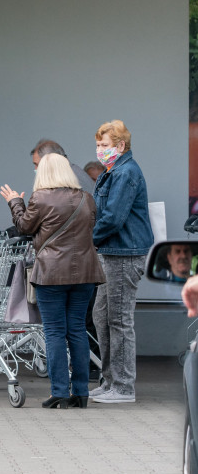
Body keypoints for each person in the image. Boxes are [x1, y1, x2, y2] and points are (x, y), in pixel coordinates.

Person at [1, 153, 105, 409]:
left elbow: (24, 226)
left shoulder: (41, 198)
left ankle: (59, 391)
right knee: (78, 330)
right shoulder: (87, 199)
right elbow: (92, 229)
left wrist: (15, 202)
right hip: (85, 273)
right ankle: (81, 392)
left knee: (55, 332)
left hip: (52, 274)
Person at [90, 119, 153, 404]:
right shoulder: (113, 171)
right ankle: (109, 380)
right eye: (98, 144)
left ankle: (123, 387)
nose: (99, 150)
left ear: (120, 146)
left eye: (104, 145)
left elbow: (113, 218)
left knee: (118, 320)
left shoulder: (125, 172)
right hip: (113, 252)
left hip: (124, 254)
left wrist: (87, 240)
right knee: (101, 317)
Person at [30, 139, 95, 193]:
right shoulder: (70, 171)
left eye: (38, 165)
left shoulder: (68, 178)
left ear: (50, 159)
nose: (36, 169)